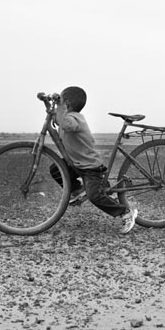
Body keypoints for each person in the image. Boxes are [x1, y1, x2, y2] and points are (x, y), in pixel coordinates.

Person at [53, 86, 138, 234]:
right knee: (55, 169)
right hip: (77, 164)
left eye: (61, 101)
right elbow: (61, 120)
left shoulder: (75, 118)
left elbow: (67, 124)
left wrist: (59, 107)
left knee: (95, 196)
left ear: (66, 104)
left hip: (90, 167)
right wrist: (52, 109)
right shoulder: (68, 117)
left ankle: (125, 213)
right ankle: (77, 190)